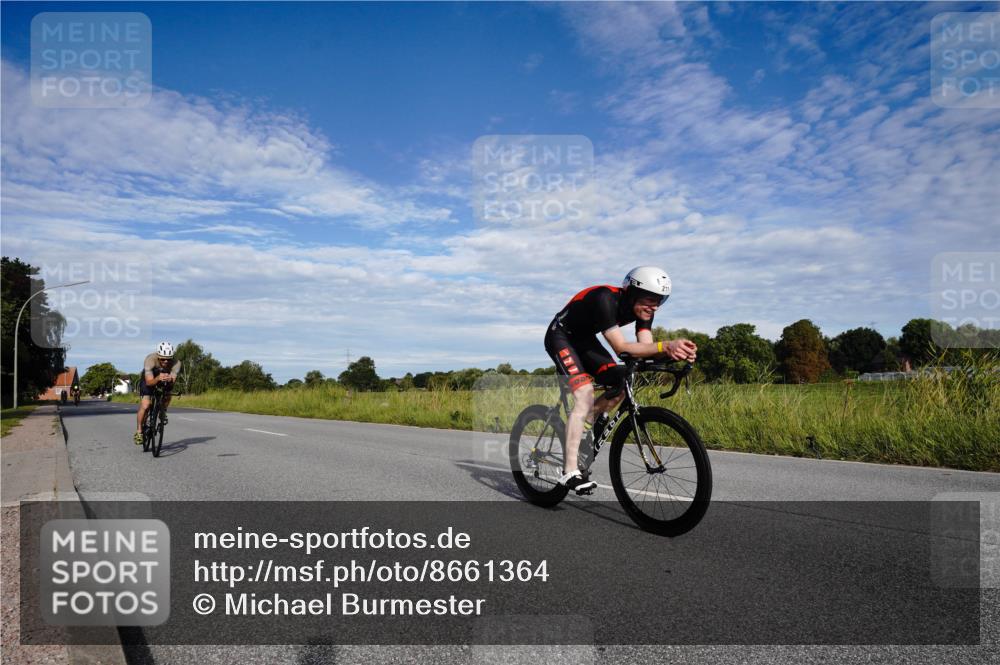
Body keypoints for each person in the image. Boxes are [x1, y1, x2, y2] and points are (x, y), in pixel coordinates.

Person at [544, 266, 698, 494]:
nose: (654, 306)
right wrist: (665, 345)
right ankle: (569, 471)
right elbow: (621, 347)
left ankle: (586, 426)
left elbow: (645, 347)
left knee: (623, 380)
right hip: (561, 335)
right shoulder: (605, 299)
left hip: (585, 340)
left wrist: (674, 353)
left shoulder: (645, 311)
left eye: (660, 301)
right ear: (632, 292)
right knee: (585, 394)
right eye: (650, 299)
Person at [134, 342, 182, 445]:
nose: (165, 361)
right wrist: (157, 378)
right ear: (158, 356)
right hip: (150, 379)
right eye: (163, 359)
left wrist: (170, 380)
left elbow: (172, 382)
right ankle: (139, 431)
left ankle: (162, 412)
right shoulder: (150, 359)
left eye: (168, 359)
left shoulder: (176, 363)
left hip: (164, 377)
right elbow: (149, 382)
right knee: (146, 405)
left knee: (168, 394)